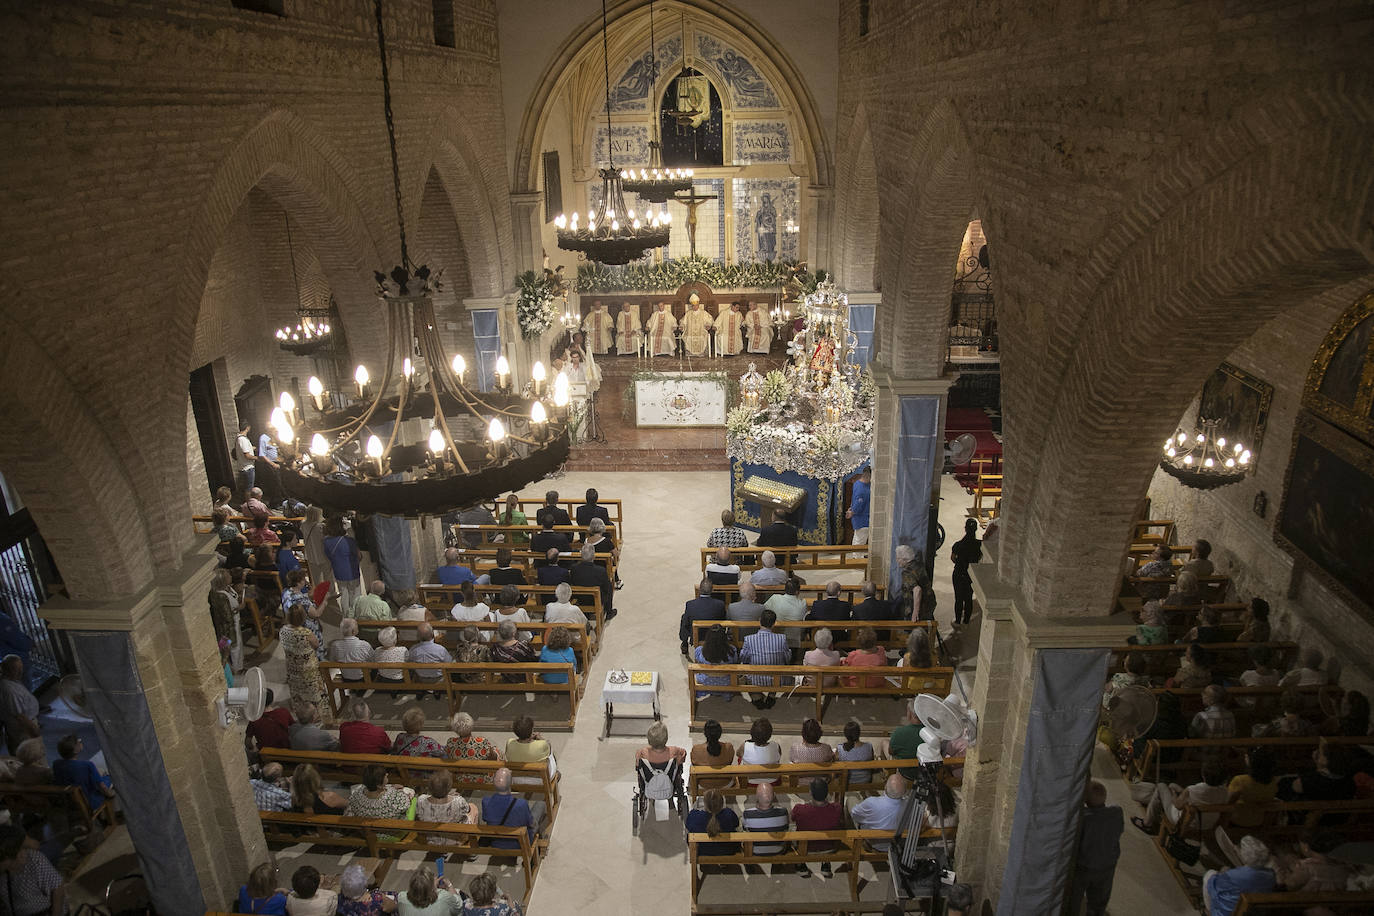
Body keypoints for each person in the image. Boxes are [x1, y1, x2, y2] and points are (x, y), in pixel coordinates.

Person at [1066, 780, 1123, 916]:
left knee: (1074, 898)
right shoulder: (1117, 813)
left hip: (1085, 866)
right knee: (1099, 899)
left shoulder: (1084, 818)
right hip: (1107, 866)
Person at [1133, 755, 1228, 832]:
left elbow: (1177, 805)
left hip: (1183, 821)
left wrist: (1174, 793)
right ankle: (1154, 806)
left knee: (1161, 786)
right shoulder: (1224, 792)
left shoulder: (1192, 789)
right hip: (1207, 825)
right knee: (1173, 785)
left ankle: (1147, 823)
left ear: (1203, 774)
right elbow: (1204, 798)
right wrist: (1180, 790)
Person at [0, 823, 65, 916]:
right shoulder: (4, 874)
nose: (23, 854)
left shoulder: (33, 859)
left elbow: (58, 888)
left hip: (44, 911)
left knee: (55, 846)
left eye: (22, 849)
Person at [1202, 835, 1275, 916]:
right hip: (1255, 909)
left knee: (1209, 874)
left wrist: (1223, 873)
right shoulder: (1270, 874)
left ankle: (1209, 912)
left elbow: (1213, 887)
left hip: (1236, 911)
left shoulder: (1235, 875)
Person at [790, 777, 842, 877]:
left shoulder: (800, 809)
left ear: (810, 792)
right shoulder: (837, 808)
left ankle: (800, 864)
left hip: (806, 848)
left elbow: (792, 818)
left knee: (791, 829)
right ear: (827, 793)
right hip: (830, 847)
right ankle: (825, 863)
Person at [280, 605, 327, 717]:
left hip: (292, 666)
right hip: (307, 668)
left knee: (297, 689)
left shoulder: (283, 630)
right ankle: (315, 713)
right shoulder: (306, 632)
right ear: (302, 617)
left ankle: (299, 709)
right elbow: (316, 645)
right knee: (313, 690)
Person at [480, 768, 541, 850]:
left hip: (496, 843)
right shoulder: (521, 804)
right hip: (521, 843)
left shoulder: (486, 801)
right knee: (541, 805)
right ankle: (538, 847)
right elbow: (530, 823)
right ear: (511, 783)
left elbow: (485, 818)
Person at [740, 609, 790, 708]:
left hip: (755, 679)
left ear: (759, 620)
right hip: (776, 679)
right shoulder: (782, 638)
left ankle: (756, 697)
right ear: (774, 624)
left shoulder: (749, 639)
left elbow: (743, 658)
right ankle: (771, 695)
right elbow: (787, 658)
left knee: (746, 672)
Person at [50, 733, 114, 811]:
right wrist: (110, 794)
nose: (80, 741)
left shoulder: (56, 764)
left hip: (68, 803)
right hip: (89, 802)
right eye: (79, 741)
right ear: (75, 750)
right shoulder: (87, 765)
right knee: (109, 778)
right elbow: (102, 787)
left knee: (100, 774)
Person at [1273, 829, 1350, 891]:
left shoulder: (1308, 868)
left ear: (1306, 847)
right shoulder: (1342, 868)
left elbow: (1287, 887)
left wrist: (1280, 877)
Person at [415, 769, 477, 844]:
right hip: (456, 839)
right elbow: (468, 809)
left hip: (432, 839)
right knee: (473, 807)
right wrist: (454, 797)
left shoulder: (421, 800)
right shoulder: (458, 801)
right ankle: (473, 841)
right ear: (449, 788)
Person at [850, 774, 910, 849]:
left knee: (851, 800)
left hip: (874, 842)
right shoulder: (910, 805)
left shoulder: (871, 802)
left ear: (885, 787)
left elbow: (855, 814)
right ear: (904, 792)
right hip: (897, 844)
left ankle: (855, 839)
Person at [1226, 747, 1278, 829]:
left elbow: (1227, 802)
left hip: (1237, 820)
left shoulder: (1240, 780)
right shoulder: (1273, 782)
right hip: (1258, 821)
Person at [634, 720, 686, 796]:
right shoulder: (674, 750)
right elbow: (684, 753)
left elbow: (637, 766)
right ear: (666, 738)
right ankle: (670, 802)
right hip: (669, 782)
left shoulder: (642, 752)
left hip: (650, 783)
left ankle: (651, 802)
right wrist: (679, 761)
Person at [345, 763, 414, 819]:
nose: (387, 774)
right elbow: (406, 805)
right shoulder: (393, 798)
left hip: (366, 831)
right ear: (379, 785)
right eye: (384, 776)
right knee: (410, 791)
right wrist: (404, 793)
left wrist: (390, 787)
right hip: (390, 832)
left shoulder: (357, 793)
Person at [324, 517, 361, 616]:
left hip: (338, 572)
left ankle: (346, 617)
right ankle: (355, 618)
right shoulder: (349, 540)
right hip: (352, 571)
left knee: (343, 595)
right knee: (355, 596)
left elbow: (328, 556)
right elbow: (359, 556)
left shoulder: (326, 541)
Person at [685, 789, 740, 855]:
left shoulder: (694, 815)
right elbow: (736, 825)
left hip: (702, 851)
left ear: (705, 804)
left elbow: (688, 827)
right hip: (728, 850)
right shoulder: (729, 814)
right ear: (722, 803)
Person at [692, 624, 739, 699]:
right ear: (724, 638)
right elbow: (735, 663)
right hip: (726, 682)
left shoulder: (700, 651)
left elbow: (698, 665)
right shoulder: (732, 650)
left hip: (706, 681)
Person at [950, 518, 982, 626]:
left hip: (959, 573)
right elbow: (980, 558)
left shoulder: (958, 545)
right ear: (976, 529)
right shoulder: (979, 545)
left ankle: (958, 621)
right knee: (968, 598)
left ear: (965, 529)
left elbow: (953, 558)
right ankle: (966, 620)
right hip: (971, 575)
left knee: (958, 598)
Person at [741, 783, 789, 857]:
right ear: (774, 795)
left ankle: (749, 866)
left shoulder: (747, 814)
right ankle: (777, 866)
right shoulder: (783, 812)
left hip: (754, 850)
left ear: (756, 797)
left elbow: (745, 829)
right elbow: (786, 828)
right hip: (778, 850)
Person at [680, 579, 727, 655]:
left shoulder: (690, 604)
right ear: (712, 590)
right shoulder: (720, 604)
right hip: (713, 633)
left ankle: (684, 641)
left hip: (697, 634)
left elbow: (686, 623)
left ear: (700, 590)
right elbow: (723, 619)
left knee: (685, 618)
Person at [570, 543, 614, 620]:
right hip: (596, 598)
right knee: (609, 585)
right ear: (594, 556)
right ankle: (609, 612)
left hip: (580, 597)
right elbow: (606, 588)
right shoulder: (601, 570)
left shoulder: (574, 568)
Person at [405, 621, 451, 695]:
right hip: (439, 678)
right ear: (432, 634)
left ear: (418, 636)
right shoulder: (440, 649)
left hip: (421, 678)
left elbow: (409, 661)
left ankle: (422, 689)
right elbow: (449, 662)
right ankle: (437, 689)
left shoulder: (413, 649)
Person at [329, 618, 373, 692]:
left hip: (346, 677)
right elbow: (372, 660)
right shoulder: (364, 645)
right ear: (354, 631)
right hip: (362, 677)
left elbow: (332, 660)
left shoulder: (335, 645)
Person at [764, 577, 808, 651]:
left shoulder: (775, 598)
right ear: (797, 592)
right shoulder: (802, 603)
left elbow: (764, 610)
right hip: (794, 639)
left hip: (776, 636)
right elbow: (803, 617)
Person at [690, 719, 735, 790]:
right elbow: (730, 761)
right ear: (720, 733)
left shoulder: (696, 749)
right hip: (725, 783)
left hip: (704, 784)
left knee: (692, 767)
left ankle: (690, 790)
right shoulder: (728, 747)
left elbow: (694, 763)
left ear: (705, 733)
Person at [895, 544, 936, 620]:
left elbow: (917, 590)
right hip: (929, 601)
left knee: (916, 628)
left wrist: (915, 612)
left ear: (904, 559)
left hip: (921, 606)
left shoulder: (907, 572)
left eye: (898, 558)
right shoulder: (918, 564)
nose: (897, 560)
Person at [246, 689, 293, 754]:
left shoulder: (255, 719)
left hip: (266, 756)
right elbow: (294, 728)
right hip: (287, 752)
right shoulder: (283, 712)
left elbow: (248, 742)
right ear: (272, 701)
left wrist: (254, 748)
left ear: (258, 701)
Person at [737, 717, 782, 784]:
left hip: (750, 782)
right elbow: (779, 756)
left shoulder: (745, 745)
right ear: (769, 734)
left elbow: (738, 754)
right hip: (772, 781)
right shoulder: (776, 745)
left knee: (741, 757)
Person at [887, 703, 925, 779]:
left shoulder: (899, 732)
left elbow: (891, 752)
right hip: (926, 772)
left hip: (905, 772)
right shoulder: (932, 732)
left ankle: (887, 770)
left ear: (910, 714)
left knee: (884, 742)